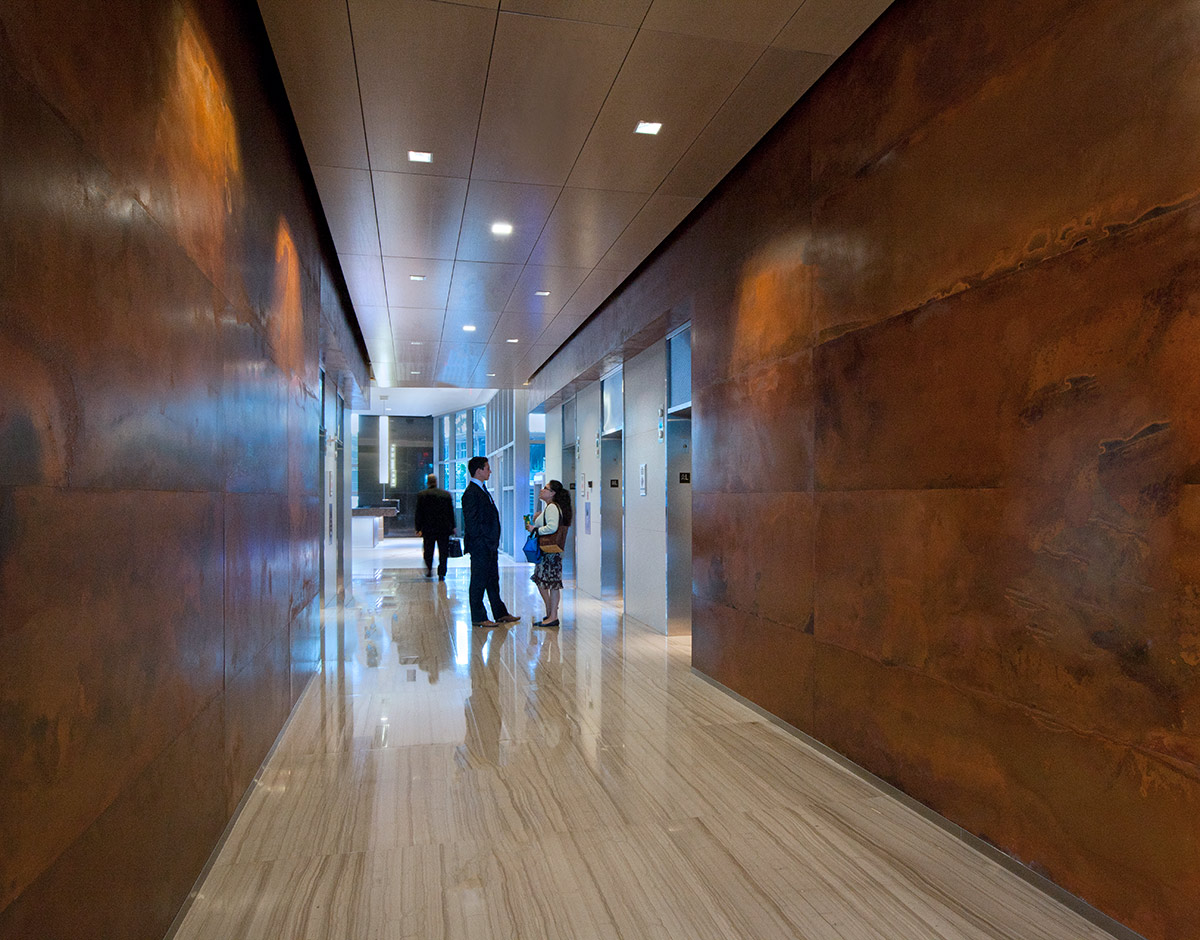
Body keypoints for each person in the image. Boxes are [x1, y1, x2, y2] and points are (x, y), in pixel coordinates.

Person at [461, 456, 520, 627]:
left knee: (492, 580)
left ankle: (500, 613)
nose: (490, 471)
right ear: (478, 471)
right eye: (487, 468)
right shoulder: (471, 493)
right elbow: (472, 523)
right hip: (481, 546)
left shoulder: (482, 490)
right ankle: (479, 617)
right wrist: (484, 542)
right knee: (479, 581)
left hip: (489, 546)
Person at [526, 479, 571, 628]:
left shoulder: (552, 507)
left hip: (549, 552)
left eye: (545, 489)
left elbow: (552, 527)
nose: (541, 490)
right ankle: (551, 613)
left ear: (552, 493)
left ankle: (552, 614)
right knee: (548, 582)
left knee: (548, 583)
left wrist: (535, 530)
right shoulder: (550, 507)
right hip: (551, 552)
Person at [413, 473, 456, 580]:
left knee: (428, 550)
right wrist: (453, 526)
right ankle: (442, 572)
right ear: (436, 482)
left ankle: (429, 570)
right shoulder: (446, 495)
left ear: (427, 482)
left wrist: (418, 528)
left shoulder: (422, 495)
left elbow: (419, 513)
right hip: (443, 528)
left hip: (428, 528)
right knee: (443, 551)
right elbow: (450, 512)